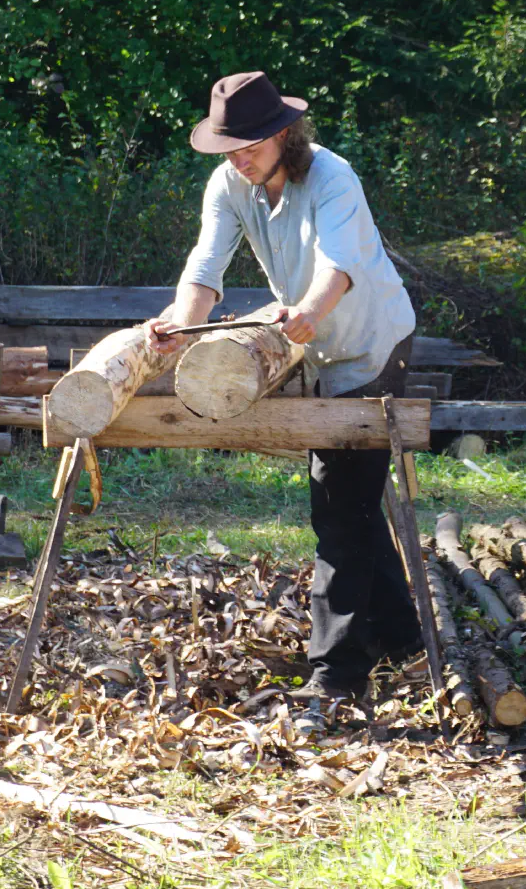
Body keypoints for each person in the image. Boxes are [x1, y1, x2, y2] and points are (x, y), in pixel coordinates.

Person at [145, 71, 420, 701]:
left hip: (373, 343)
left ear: (284, 133)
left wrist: (309, 311)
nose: (240, 159)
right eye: (230, 148)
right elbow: (206, 265)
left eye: (251, 146)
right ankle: (403, 639)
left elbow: (339, 265)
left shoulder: (332, 176)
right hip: (313, 346)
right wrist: (181, 326)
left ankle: (337, 673)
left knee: (339, 506)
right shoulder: (229, 184)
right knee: (353, 498)